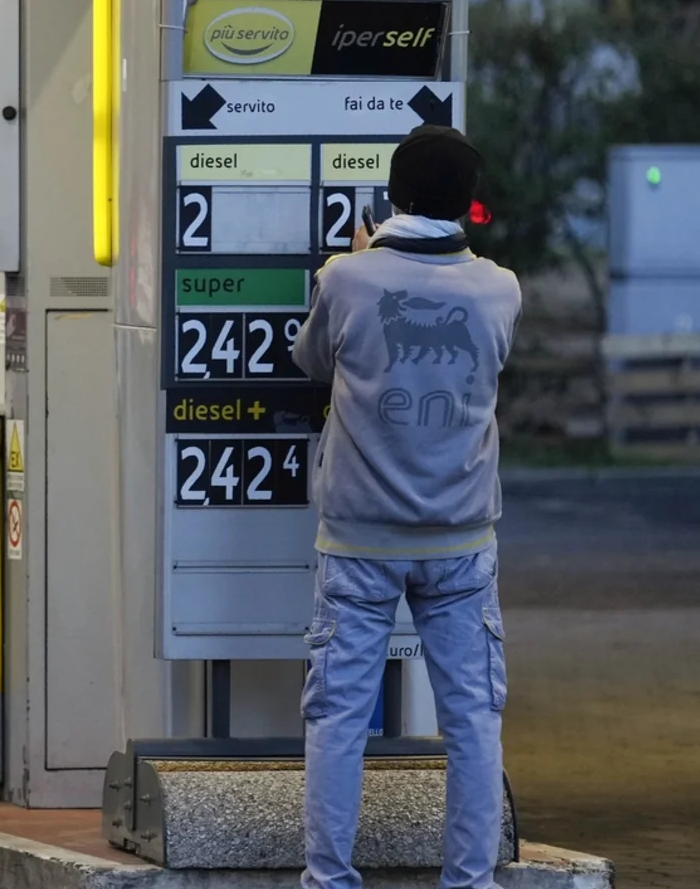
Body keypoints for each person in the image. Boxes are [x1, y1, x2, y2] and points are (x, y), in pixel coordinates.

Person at [290, 125, 523, 889]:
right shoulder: (499, 287)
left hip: (356, 541)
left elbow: (311, 360)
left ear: (395, 192)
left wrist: (358, 255)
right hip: (460, 539)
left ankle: (327, 881)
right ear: (467, 201)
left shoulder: (346, 278)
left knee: (336, 719)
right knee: (471, 722)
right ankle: (469, 881)